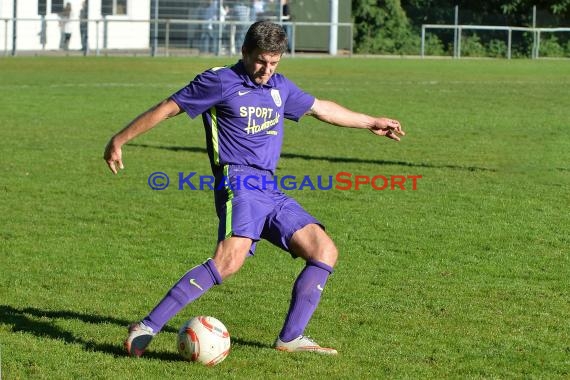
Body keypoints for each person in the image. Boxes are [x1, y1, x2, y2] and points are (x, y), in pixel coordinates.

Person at [104, 21, 404, 357]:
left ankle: (290, 339)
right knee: (229, 261)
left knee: (324, 250)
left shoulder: (280, 87)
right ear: (245, 52)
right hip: (238, 181)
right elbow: (167, 108)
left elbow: (322, 109)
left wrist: (371, 122)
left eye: (274, 62)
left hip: (270, 188)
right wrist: (120, 139)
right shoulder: (219, 80)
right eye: (261, 61)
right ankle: (147, 326)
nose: (266, 69)